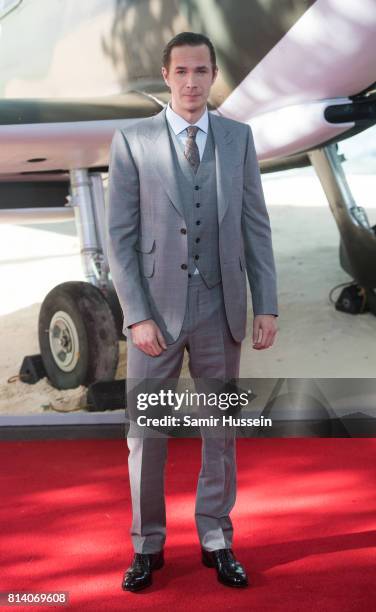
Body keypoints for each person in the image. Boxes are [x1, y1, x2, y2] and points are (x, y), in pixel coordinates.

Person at [106, 31, 278, 592]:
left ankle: (216, 539)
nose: (191, 82)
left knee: (219, 432)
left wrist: (267, 304)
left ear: (212, 76)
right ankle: (146, 546)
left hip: (221, 308)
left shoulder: (238, 138)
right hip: (154, 314)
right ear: (166, 76)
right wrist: (136, 316)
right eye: (181, 71)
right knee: (147, 434)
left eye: (201, 71)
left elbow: (256, 224)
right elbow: (121, 238)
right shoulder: (132, 141)